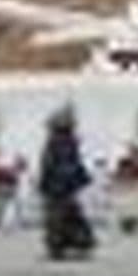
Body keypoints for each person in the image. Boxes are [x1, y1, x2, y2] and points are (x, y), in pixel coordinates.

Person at [38, 106, 95, 262]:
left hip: (59, 185)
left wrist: (48, 182)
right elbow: (68, 164)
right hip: (62, 185)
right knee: (66, 215)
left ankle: (60, 246)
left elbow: (54, 164)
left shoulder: (59, 142)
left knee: (59, 216)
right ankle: (70, 244)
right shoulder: (66, 142)